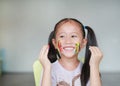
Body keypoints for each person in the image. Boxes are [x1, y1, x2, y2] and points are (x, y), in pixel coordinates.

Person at [39, 18, 103, 86]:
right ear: (55, 43)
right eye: (62, 36)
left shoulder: (90, 70)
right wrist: (47, 68)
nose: (68, 41)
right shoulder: (48, 69)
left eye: (73, 36)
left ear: (83, 43)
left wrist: (94, 66)